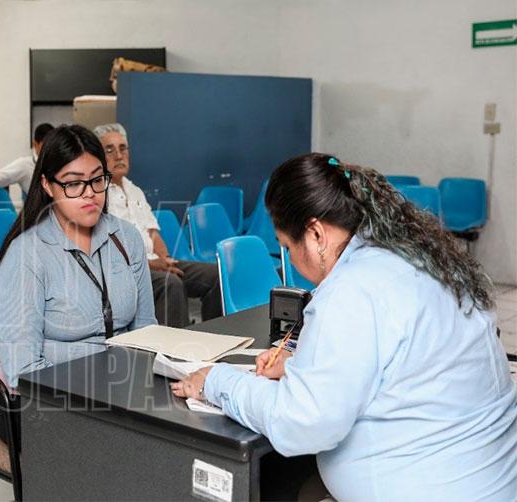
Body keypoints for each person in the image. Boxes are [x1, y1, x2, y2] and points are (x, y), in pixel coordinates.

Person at [172, 153, 517, 500]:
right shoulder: (425, 261)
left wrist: (216, 381)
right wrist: (301, 364)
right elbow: (405, 361)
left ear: (315, 234)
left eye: (287, 247)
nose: (289, 259)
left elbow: (300, 424)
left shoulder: (352, 290)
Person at [0, 125, 157, 444]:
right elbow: (24, 369)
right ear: (47, 185)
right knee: (118, 450)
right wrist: (100, 393)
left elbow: (147, 329)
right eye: (73, 183)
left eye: (96, 179)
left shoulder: (127, 238)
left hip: (113, 387)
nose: (89, 193)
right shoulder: (27, 254)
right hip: (35, 397)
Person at [93, 123, 221, 326]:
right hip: (124, 270)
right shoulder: (97, 194)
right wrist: (150, 264)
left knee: (215, 275)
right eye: (110, 150)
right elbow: (108, 250)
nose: (118, 155)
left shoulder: (135, 191)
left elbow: (153, 234)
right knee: (171, 283)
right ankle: (172, 344)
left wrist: (165, 260)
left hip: (154, 263)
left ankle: (214, 335)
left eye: (123, 148)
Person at [0, 122, 53, 196]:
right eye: (45, 146)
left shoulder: (58, 164)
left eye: (52, 146)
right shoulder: (25, 166)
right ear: (35, 144)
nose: (49, 150)